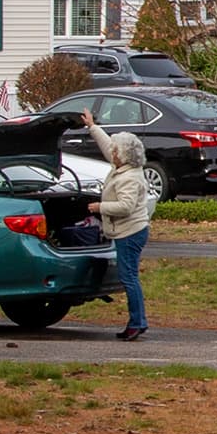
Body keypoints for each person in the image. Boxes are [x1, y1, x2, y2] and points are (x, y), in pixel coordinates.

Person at [80, 108, 154, 339]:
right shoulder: (124, 167)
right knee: (128, 276)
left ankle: (137, 321)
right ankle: (137, 321)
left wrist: (99, 208)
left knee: (129, 277)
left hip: (130, 232)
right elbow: (106, 145)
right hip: (127, 231)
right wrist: (92, 126)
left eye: (115, 149)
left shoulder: (130, 178)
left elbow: (126, 207)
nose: (111, 151)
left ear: (121, 155)